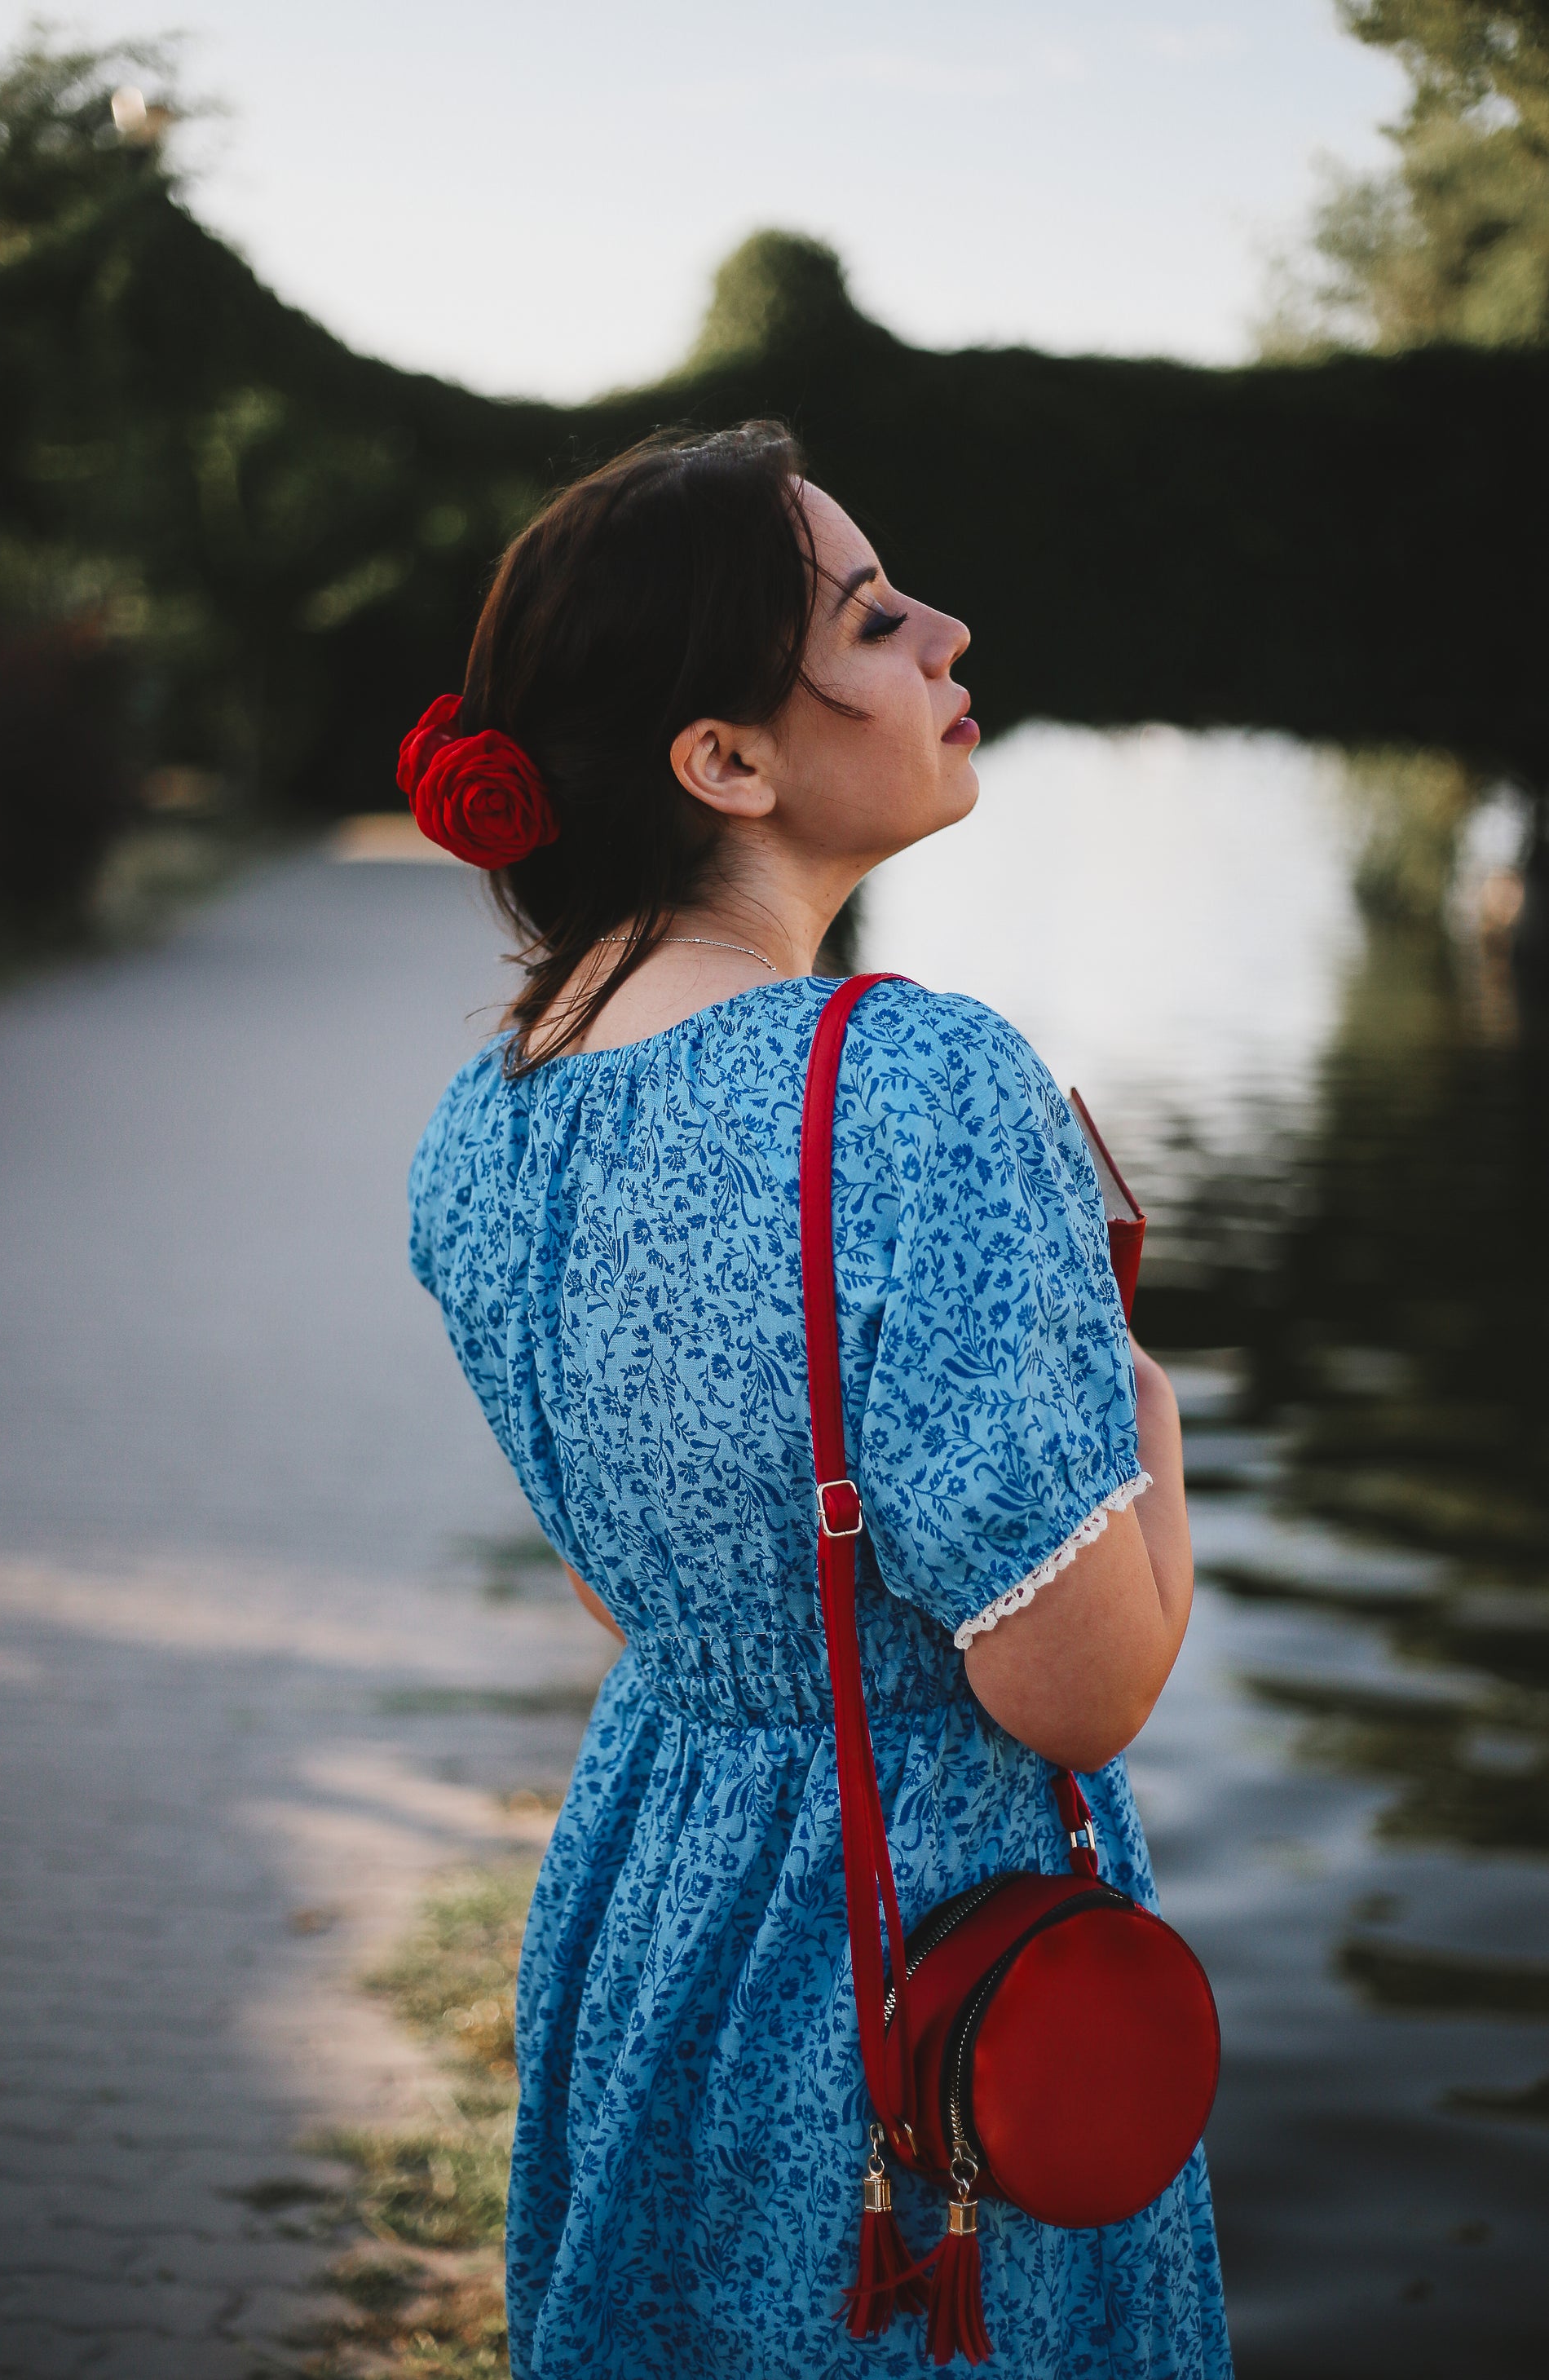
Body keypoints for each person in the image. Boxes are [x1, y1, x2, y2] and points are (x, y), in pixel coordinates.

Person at [406, 423, 1229, 2379]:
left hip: (646, 1895)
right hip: (913, 1961)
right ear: (727, 762)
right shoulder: (911, 1086)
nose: (945, 630)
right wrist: (1152, 1428)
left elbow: (636, 1593)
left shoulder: (487, 1124)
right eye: (872, 615)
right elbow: (1077, 1686)